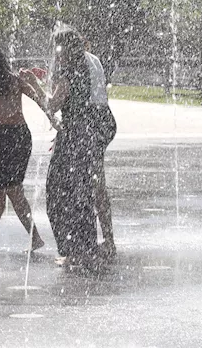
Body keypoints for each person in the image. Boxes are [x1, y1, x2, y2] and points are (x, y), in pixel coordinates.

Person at [0, 44, 56, 252]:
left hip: (1, 138)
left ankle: (34, 237)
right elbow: (39, 100)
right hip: (19, 136)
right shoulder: (13, 80)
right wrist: (53, 120)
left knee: (12, 190)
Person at [42, 28, 105, 269]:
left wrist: (34, 87)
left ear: (63, 48)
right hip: (86, 135)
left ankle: (71, 251)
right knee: (82, 192)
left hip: (72, 138)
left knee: (57, 194)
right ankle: (87, 250)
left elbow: (52, 103)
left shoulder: (68, 71)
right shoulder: (85, 68)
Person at [84, 46, 118, 255]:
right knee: (94, 181)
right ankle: (106, 238)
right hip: (104, 117)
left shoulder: (75, 62)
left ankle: (98, 242)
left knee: (91, 184)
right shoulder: (93, 58)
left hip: (92, 120)